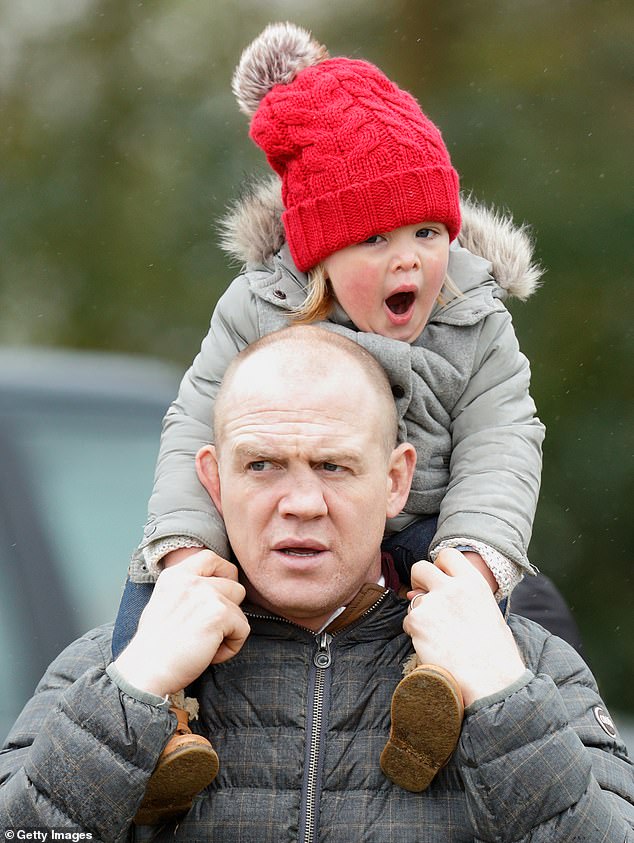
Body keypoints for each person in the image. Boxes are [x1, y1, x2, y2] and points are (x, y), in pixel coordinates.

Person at [113, 20, 551, 812]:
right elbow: (194, 429)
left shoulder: (473, 319)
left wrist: (475, 559)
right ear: (317, 252)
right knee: (158, 591)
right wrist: (185, 553)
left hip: (428, 530)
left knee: (496, 609)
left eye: (427, 232)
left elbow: (503, 440)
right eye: (375, 238)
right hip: (277, 543)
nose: (410, 258)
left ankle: (437, 703)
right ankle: (158, 726)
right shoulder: (261, 310)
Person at [1, 327, 632, 842]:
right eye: (262, 466)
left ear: (395, 482)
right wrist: (131, 691)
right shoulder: (108, 666)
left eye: (332, 466)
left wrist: (501, 698)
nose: (301, 502)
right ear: (215, 481)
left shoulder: (530, 666)